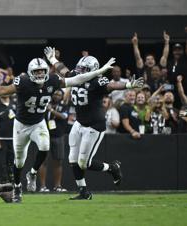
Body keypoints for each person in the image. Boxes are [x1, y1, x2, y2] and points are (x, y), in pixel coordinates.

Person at [0, 47, 117, 202]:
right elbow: (3, 90)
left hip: (38, 122)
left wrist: (98, 71)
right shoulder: (24, 81)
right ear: (30, 73)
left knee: (45, 146)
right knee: (19, 161)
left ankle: (33, 173)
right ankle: (17, 188)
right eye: (37, 72)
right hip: (21, 124)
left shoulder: (52, 80)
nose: (40, 74)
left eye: (42, 71)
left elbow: (76, 79)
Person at [47, 52, 144, 200]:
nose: (80, 71)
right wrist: (52, 59)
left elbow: (112, 85)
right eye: (80, 68)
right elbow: (64, 70)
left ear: (93, 69)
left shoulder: (98, 81)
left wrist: (129, 84)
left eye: (84, 69)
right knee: (73, 159)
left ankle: (112, 168)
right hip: (79, 122)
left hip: (94, 125)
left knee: (83, 163)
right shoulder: (77, 75)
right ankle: (83, 192)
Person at [38, 89, 68, 192]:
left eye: (59, 95)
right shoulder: (44, 105)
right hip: (44, 135)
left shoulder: (64, 106)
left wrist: (51, 110)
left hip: (58, 135)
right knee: (43, 161)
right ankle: (42, 187)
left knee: (58, 161)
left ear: (62, 97)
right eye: (55, 94)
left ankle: (57, 186)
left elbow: (64, 116)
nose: (57, 96)